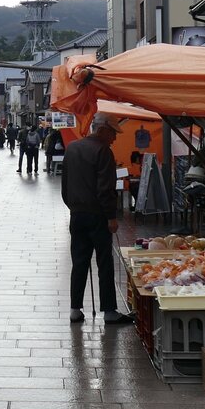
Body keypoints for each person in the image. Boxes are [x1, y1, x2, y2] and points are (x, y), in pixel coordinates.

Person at [61, 113, 134, 325]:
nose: (115, 138)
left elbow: (65, 186)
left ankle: (75, 309)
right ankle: (109, 311)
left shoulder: (72, 148)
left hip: (77, 215)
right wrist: (111, 216)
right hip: (98, 216)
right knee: (104, 262)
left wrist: (74, 207)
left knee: (79, 260)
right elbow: (105, 189)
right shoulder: (103, 151)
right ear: (102, 129)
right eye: (113, 133)